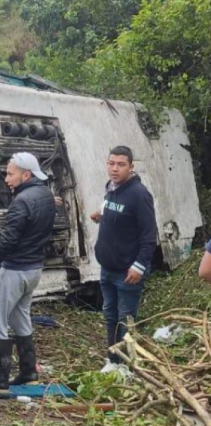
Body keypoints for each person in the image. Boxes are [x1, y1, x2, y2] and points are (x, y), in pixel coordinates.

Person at [0, 153, 56, 390]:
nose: (7, 179)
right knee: (20, 316)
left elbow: (8, 240)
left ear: (26, 174)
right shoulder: (46, 195)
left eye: (11, 174)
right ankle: (29, 372)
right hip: (34, 269)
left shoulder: (21, 202)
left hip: (16, 269)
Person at [89, 146, 157, 372]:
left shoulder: (139, 194)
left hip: (126, 271)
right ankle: (112, 359)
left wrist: (139, 266)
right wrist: (100, 213)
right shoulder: (111, 188)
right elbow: (117, 209)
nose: (114, 168)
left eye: (120, 164)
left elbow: (149, 236)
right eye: (111, 163)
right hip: (107, 268)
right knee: (110, 315)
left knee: (125, 319)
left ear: (131, 167)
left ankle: (127, 365)